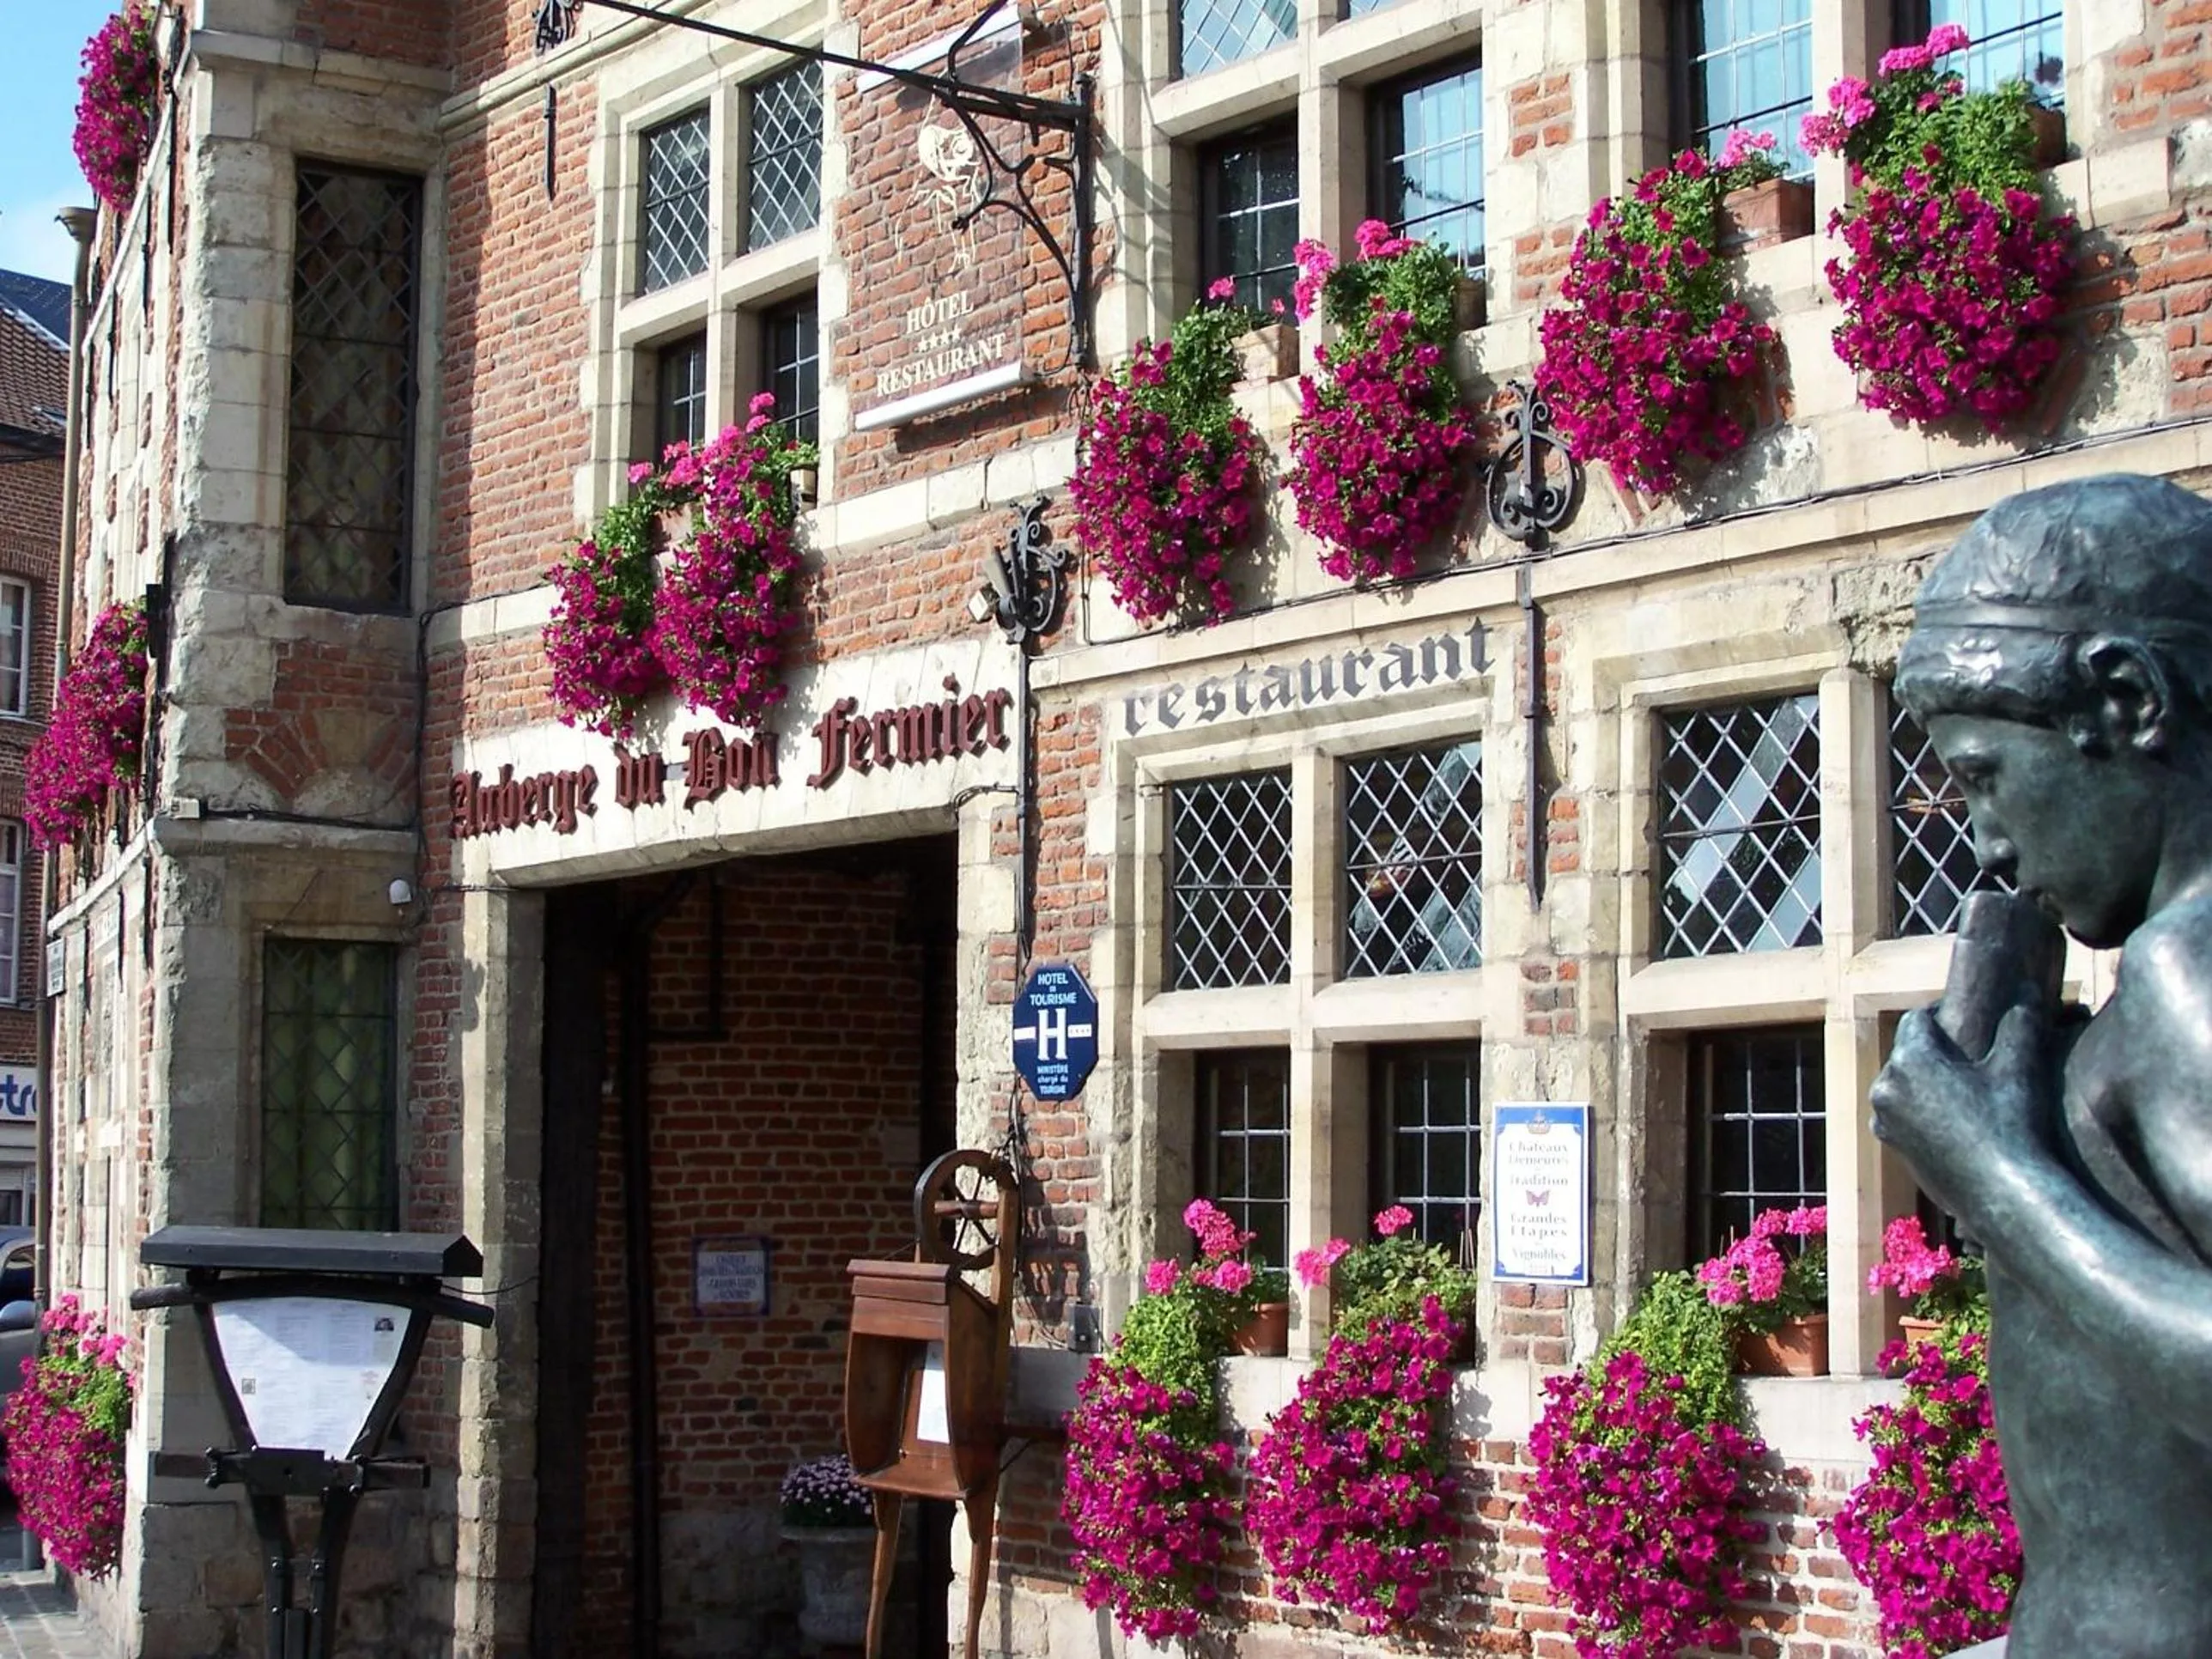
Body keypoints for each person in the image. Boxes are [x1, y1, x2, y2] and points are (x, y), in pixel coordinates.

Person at [1872, 473, 2212, 1656]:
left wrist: (1999, 1178)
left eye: (1983, 774)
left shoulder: (2186, 970)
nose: (1990, 844)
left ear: (2125, 701)